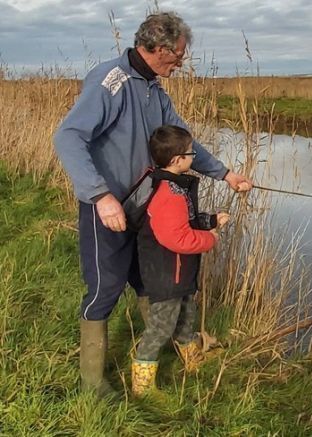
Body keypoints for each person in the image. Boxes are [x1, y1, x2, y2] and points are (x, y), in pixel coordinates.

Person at [53, 11, 252, 398]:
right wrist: (100, 196)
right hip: (108, 210)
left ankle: (158, 358)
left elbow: (184, 145)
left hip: (146, 208)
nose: (181, 62)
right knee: (105, 289)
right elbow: (68, 137)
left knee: (151, 283)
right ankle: (92, 385)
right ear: (158, 48)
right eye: (178, 55)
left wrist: (226, 174)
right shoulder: (111, 81)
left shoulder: (155, 91)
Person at [132, 125, 227, 396]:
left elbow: (184, 221)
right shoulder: (168, 194)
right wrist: (211, 239)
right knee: (160, 328)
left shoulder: (176, 187)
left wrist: (210, 220)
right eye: (190, 152)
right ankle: (142, 383)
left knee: (186, 317)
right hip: (166, 274)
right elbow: (178, 239)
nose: (193, 156)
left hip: (179, 273)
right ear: (177, 160)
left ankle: (191, 358)